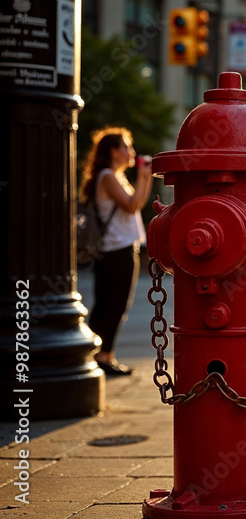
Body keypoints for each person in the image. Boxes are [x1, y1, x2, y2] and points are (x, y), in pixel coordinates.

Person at [80, 127, 153, 376]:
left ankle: (101, 354)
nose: (131, 152)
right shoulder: (108, 177)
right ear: (113, 151)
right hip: (116, 250)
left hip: (117, 249)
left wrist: (145, 178)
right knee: (114, 305)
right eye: (126, 147)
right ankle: (103, 356)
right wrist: (144, 177)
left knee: (107, 303)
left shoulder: (114, 176)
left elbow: (137, 204)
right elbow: (132, 207)